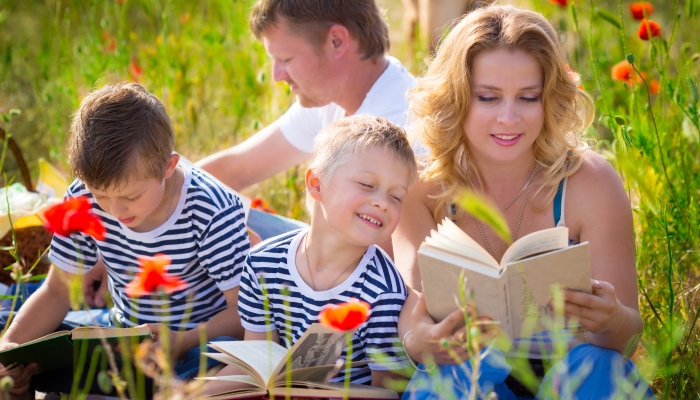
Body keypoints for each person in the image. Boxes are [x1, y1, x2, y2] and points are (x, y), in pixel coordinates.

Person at [392, 5, 654, 399]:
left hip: (574, 376)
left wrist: (611, 317)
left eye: (528, 98)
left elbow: (625, 336)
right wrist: (418, 344)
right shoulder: (420, 186)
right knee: (451, 376)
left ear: (549, 99)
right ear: (457, 97)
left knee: (594, 366)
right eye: (488, 97)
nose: (509, 118)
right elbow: (415, 310)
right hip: (470, 371)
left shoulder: (591, 182)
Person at [0, 82, 251, 395]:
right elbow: (57, 290)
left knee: (225, 362)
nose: (115, 211)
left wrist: (183, 340)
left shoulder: (210, 209)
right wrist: (10, 347)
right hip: (123, 337)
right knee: (12, 332)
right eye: (101, 195)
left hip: (194, 343)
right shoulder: (82, 197)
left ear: (168, 167)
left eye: (132, 196)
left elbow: (245, 312)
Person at [201, 115, 417, 396]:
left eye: (396, 197)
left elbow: (387, 392)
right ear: (316, 183)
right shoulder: (263, 263)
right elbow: (254, 364)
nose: (381, 202)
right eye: (366, 185)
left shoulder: (382, 290)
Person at [195, 0, 416, 240]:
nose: (277, 75)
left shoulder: (399, 123)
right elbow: (234, 170)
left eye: (286, 59)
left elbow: (386, 257)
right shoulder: (335, 93)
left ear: (336, 41)